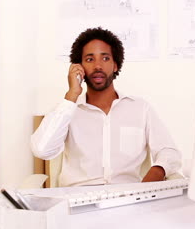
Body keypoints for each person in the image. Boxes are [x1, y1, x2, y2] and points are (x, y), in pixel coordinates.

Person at [31, 27, 182, 187]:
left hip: (127, 197)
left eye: (105, 58)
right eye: (90, 59)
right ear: (79, 67)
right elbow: (42, 150)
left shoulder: (140, 108)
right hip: (79, 201)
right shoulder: (67, 110)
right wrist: (72, 94)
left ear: (115, 65)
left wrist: (155, 172)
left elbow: (170, 152)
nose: (97, 66)